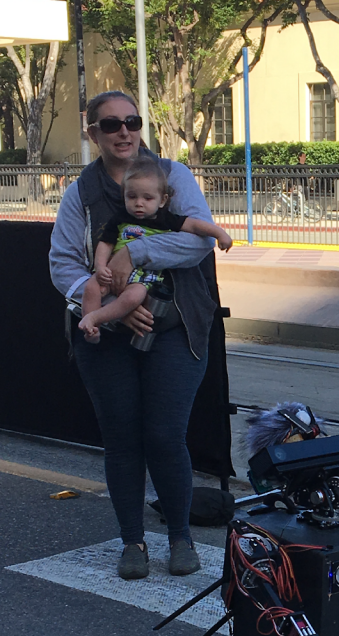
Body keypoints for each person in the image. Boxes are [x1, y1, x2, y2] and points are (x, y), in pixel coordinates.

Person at [49, 90, 220, 581]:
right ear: (94, 134)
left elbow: (197, 242)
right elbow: (63, 263)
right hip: (106, 328)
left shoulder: (172, 176)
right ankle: (132, 542)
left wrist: (136, 256)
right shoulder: (80, 192)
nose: (123, 131)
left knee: (165, 434)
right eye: (110, 125)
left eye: (132, 121)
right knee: (122, 437)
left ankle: (181, 536)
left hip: (176, 324)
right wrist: (113, 307)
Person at [79, 156, 232, 343]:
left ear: (162, 200)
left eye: (147, 198)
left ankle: (97, 318)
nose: (139, 203)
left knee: (134, 296)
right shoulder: (120, 218)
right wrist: (101, 266)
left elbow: (194, 226)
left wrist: (219, 234)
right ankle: (91, 329)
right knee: (92, 287)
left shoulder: (164, 219)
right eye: (132, 197)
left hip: (142, 276)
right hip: (112, 271)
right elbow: (106, 243)